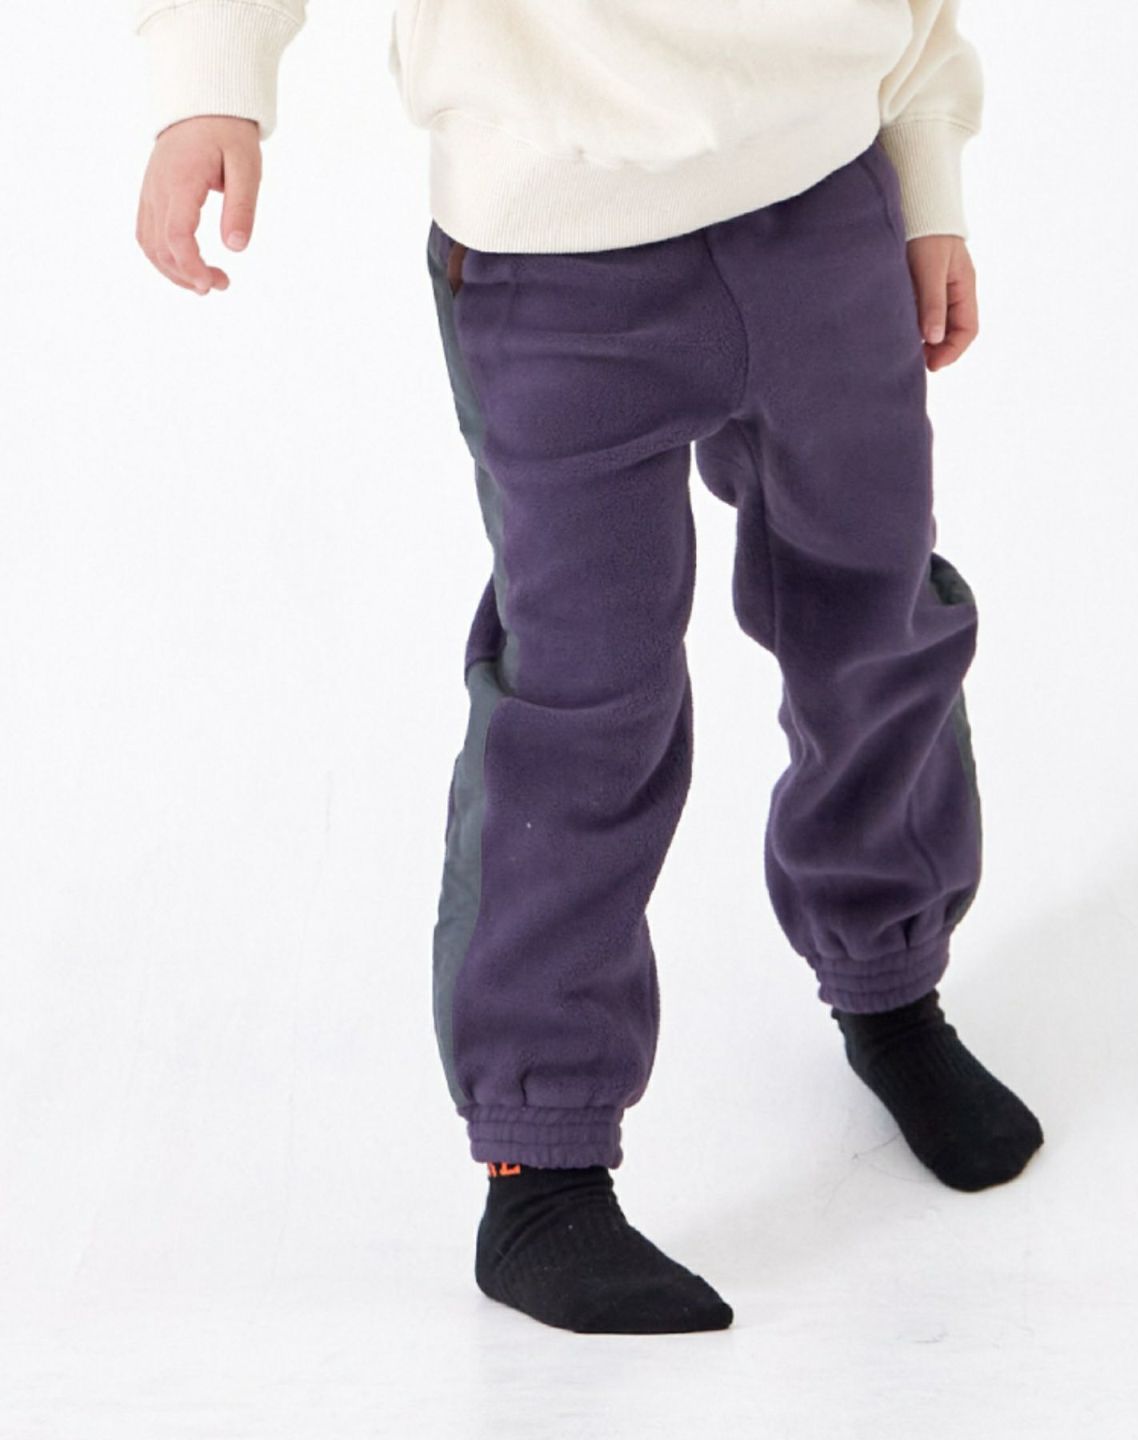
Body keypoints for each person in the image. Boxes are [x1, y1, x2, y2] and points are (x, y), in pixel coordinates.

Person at [130, 0, 1044, 1336]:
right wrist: (209, 80)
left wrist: (926, 171)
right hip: (555, 255)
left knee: (876, 621)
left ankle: (891, 984)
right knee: (580, 703)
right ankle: (539, 1161)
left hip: (825, 201)